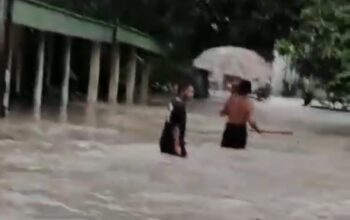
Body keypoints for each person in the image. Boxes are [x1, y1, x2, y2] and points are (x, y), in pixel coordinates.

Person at [220, 80, 261, 149]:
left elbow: (222, 113)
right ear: (249, 91)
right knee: (238, 154)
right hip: (240, 131)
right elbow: (251, 121)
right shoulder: (249, 103)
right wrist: (258, 130)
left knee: (224, 153)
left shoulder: (231, 99)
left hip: (229, 129)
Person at [159, 82, 194, 158]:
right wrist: (177, 145)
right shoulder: (180, 106)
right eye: (190, 91)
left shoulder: (172, 102)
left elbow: (171, 121)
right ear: (183, 91)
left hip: (165, 140)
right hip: (172, 143)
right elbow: (176, 127)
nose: (192, 94)